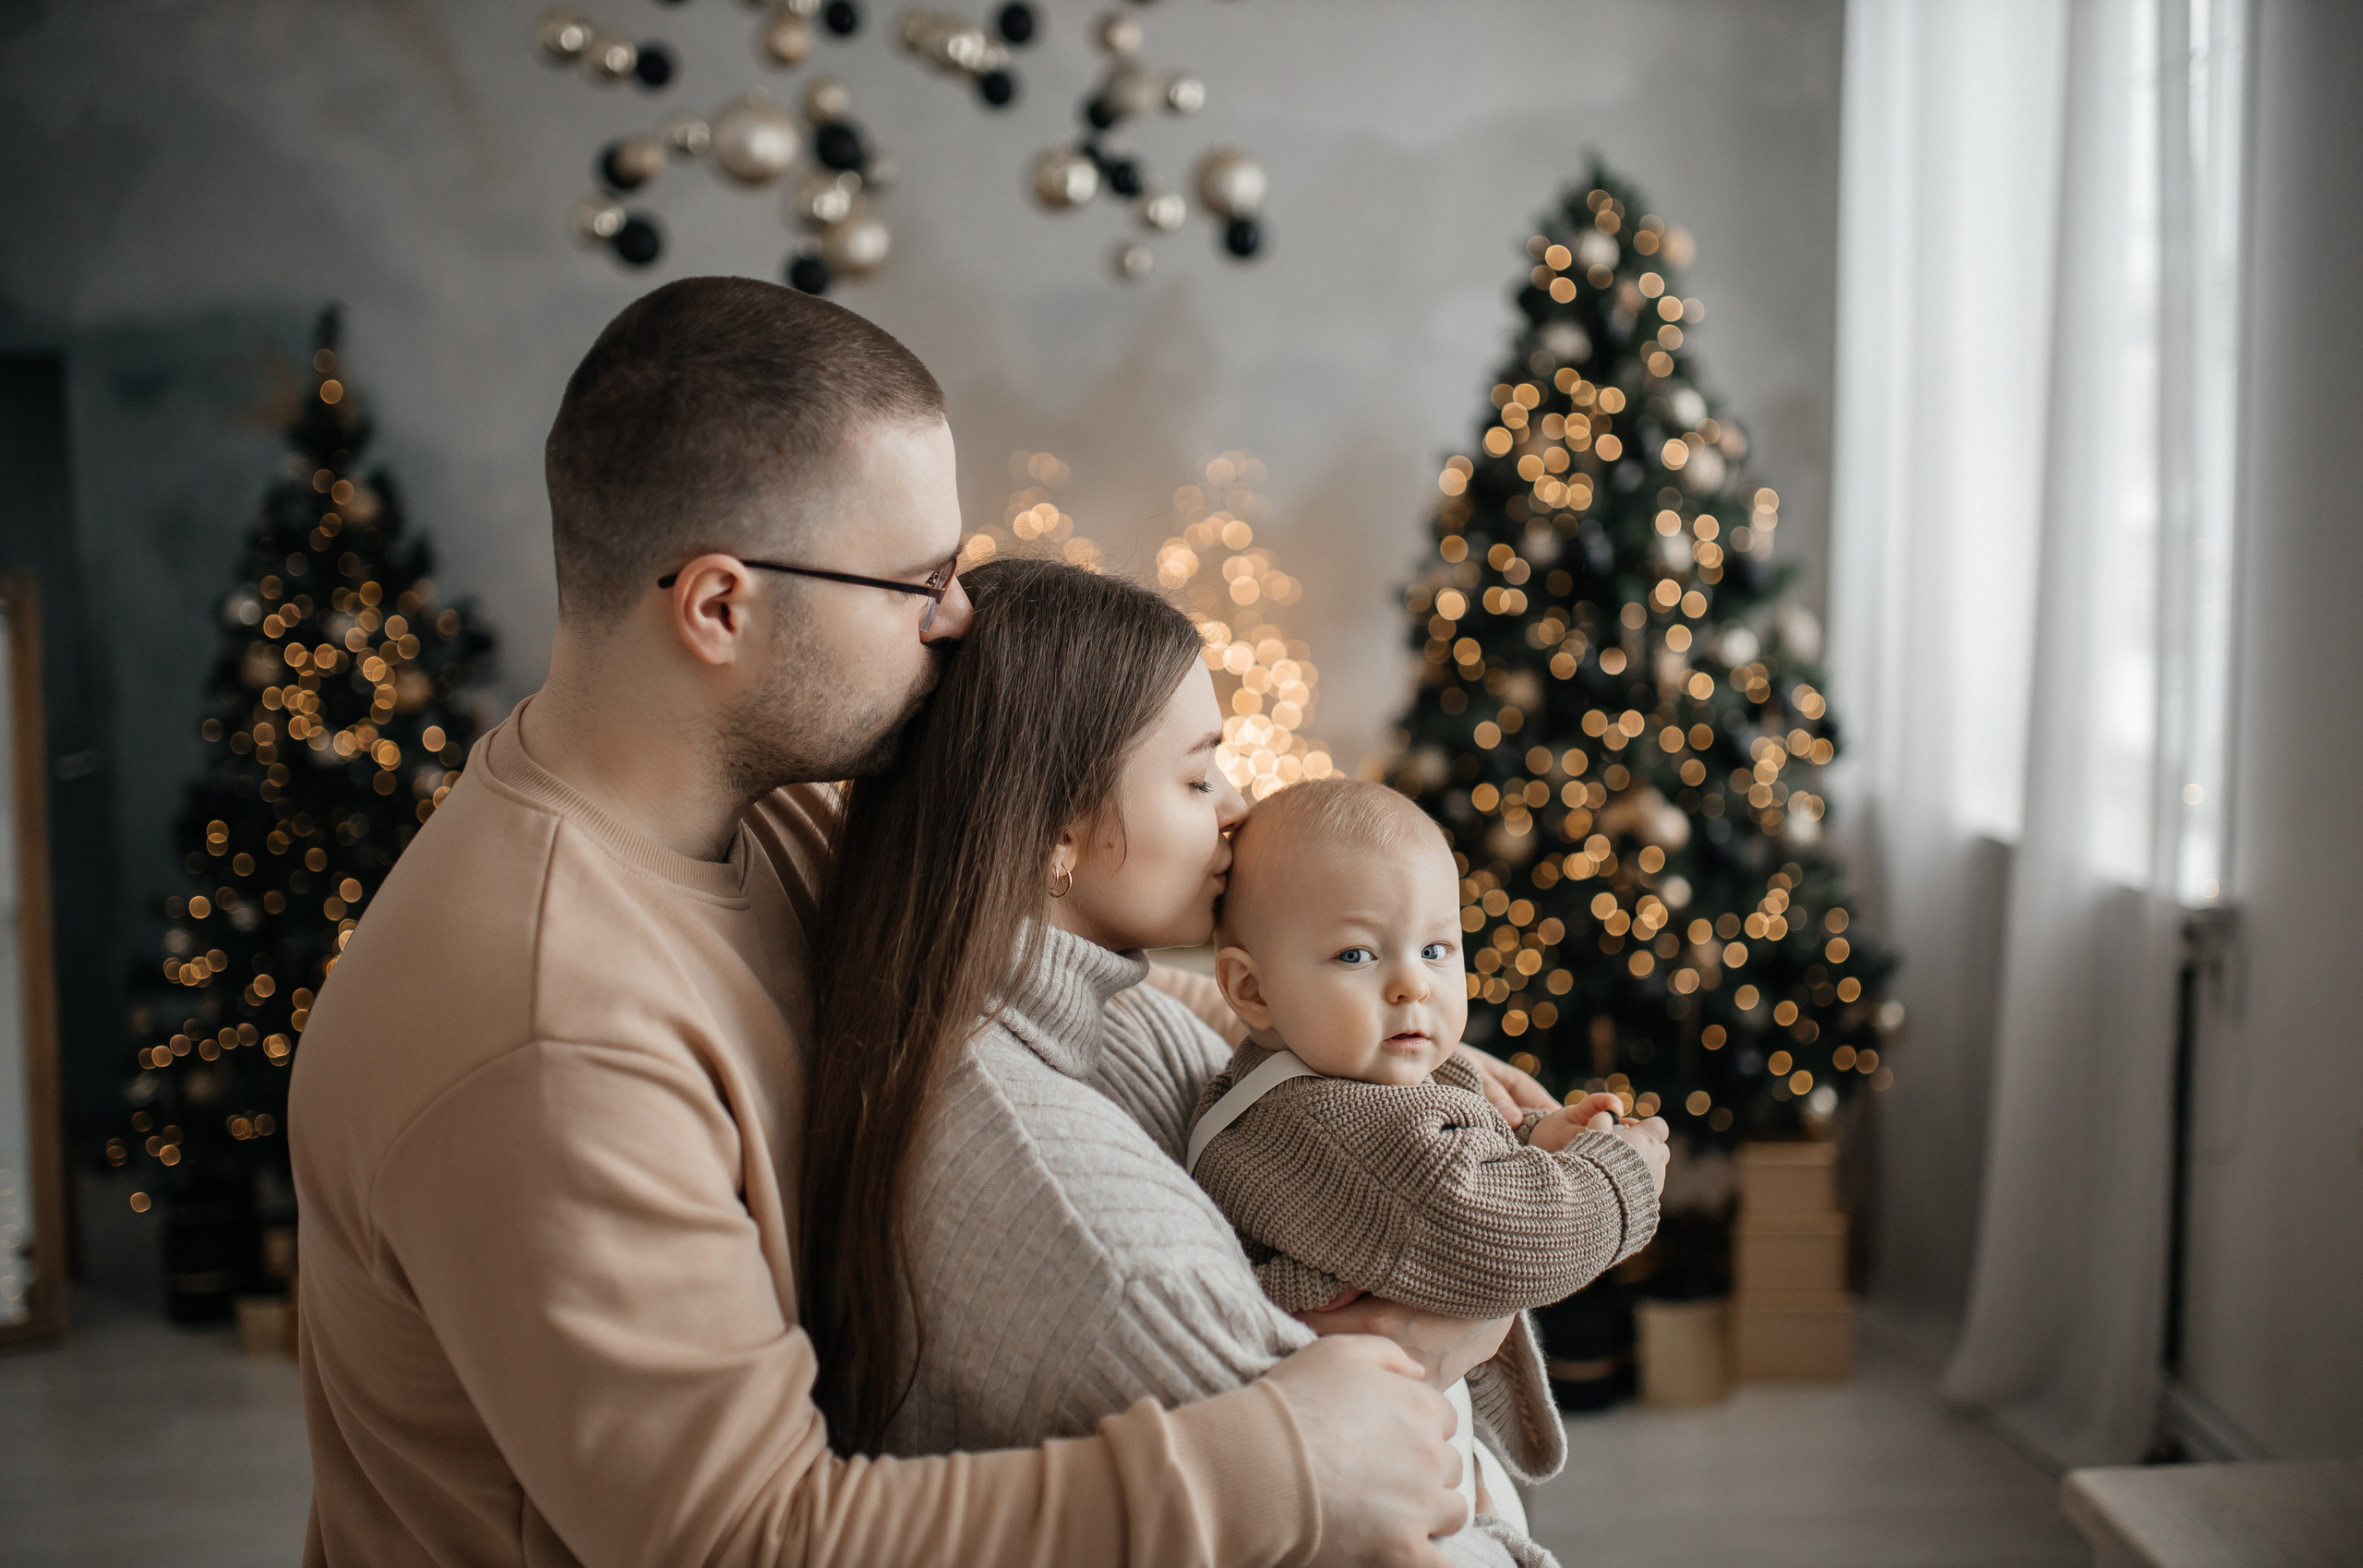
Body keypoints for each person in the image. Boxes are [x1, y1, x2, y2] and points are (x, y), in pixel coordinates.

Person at [288, 277, 1474, 1568]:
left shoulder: (767, 820)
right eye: (916, 578)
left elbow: (1044, 966)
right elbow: (746, 1539)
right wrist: (1280, 1460)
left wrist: (1398, 1065)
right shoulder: (548, 1032)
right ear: (721, 607)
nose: (959, 614)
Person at [801, 559, 1618, 1568]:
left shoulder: (1046, 1007)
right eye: (1197, 776)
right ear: (1056, 830)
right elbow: (1407, 1530)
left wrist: (1400, 1037)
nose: (1237, 809)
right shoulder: (1097, 1235)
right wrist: (1477, 1313)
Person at [1187, 778, 1673, 1568]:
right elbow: (1485, 1223)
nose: (1412, 982)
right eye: (1356, 953)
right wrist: (1618, 1181)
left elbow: (1442, 1152)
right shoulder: (1322, 1121)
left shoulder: (1338, 1071)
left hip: (1401, 1416)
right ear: (1251, 988)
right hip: (1363, 1465)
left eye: (1437, 948)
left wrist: (1532, 1137)